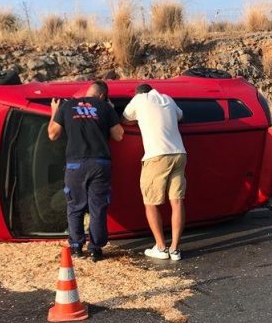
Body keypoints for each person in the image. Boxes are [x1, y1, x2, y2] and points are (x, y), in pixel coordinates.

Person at [48, 80, 124, 261]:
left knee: (75, 206)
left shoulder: (67, 106)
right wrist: (111, 110)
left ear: (89, 91)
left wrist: (54, 112)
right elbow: (119, 135)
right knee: (97, 207)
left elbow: (52, 134)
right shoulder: (105, 107)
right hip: (99, 163)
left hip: (75, 165)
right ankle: (96, 249)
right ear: (102, 95)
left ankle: (76, 247)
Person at [122, 84, 186, 261]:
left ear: (138, 93)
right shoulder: (168, 99)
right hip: (179, 153)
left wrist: (139, 120)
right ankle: (175, 250)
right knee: (177, 202)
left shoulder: (139, 100)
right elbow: (181, 117)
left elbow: (124, 119)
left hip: (156, 156)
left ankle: (161, 247)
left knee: (150, 203)